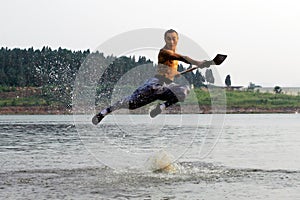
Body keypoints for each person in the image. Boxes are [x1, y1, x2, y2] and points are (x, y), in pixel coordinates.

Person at [92, 29, 211, 125]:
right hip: (155, 84)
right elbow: (182, 57)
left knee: (184, 90)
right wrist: (198, 62)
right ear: (165, 39)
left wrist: (176, 73)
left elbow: (169, 69)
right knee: (131, 104)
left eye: (173, 38)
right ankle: (104, 112)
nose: (171, 41)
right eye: (168, 39)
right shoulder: (164, 52)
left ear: (177, 39)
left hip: (167, 86)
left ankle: (161, 107)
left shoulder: (173, 56)